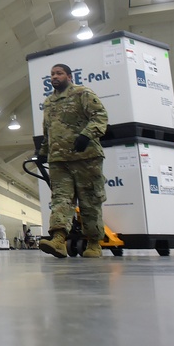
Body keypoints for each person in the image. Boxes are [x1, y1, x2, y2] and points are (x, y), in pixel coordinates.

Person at [37, 64, 109, 259]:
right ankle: (58, 240)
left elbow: (100, 116)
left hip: (86, 158)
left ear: (69, 76)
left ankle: (94, 243)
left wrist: (87, 135)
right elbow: (48, 130)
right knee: (61, 199)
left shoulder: (82, 93)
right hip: (59, 160)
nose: (55, 77)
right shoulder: (49, 102)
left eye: (59, 73)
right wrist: (43, 151)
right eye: (52, 74)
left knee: (89, 201)